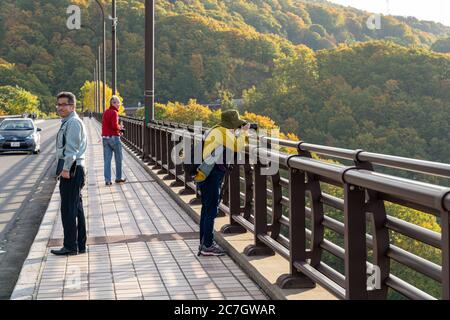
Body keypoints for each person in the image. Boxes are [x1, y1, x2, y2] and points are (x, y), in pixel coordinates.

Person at [195, 109, 250, 256]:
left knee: (206, 209)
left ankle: (204, 243)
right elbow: (238, 146)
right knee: (211, 210)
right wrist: (244, 132)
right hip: (211, 175)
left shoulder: (215, 129)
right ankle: (207, 246)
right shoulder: (223, 132)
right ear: (231, 123)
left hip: (205, 174)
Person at [51, 92, 87, 256]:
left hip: (72, 169)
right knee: (77, 208)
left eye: (64, 104)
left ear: (72, 106)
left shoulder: (72, 123)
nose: (60, 107)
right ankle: (80, 245)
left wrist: (65, 170)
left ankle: (70, 246)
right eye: (58, 104)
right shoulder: (69, 122)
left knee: (68, 210)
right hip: (75, 168)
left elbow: (71, 149)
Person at [102, 95, 126, 186]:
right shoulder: (114, 113)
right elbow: (114, 125)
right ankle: (118, 178)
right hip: (114, 138)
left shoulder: (106, 112)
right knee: (119, 158)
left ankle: (107, 180)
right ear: (113, 103)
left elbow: (106, 125)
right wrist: (120, 128)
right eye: (118, 103)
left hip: (105, 138)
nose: (119, 105)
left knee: (107, 160)